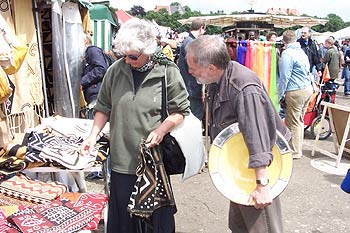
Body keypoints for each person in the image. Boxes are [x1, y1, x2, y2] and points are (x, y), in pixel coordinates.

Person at [80, 18, 190, 233]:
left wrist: (161, 130)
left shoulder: (167, 72)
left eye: (133, 56)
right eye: (124, 55)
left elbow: (181, 110)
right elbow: (103, 107)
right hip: (121, 160)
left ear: (148, 50)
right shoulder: (115, 70)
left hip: (152, 161)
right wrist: (92, 135)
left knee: (154, 220)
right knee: (124, 221)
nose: (128, 60)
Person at [186, 35, 289, 233]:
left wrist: (262, 185)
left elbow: (258, 136)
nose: (190, 72)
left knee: (261, 228)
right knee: (239, 225)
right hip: (240, 167)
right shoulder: (219, 78)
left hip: (258, 169)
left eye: (192, 67)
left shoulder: (243, 88)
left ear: (211, 67)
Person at [279, 30, 313, 160]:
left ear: (284, 41)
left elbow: (284, 77)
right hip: (307, 88)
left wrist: (280, 94)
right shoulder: (301, 52)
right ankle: (297, 148)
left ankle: (294, 151)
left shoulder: (288, 54)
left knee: (293, 121)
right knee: (299, 121)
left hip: (295, 91)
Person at [80, 33, 109, 180]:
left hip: (97, 95)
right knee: (98, 133)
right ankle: (100, 170)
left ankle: (100, 170)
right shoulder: (91, 52)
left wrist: (82, 81)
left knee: (98, 132)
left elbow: (100, 69)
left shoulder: (92, 50)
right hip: (95, 94)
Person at [177, 18, 206, 120]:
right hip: (191, 87)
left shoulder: (189, 41)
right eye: (204, 30)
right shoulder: (191, 42)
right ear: (201, 28)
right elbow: (192, 65)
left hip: (189, 86)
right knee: (195, 117)